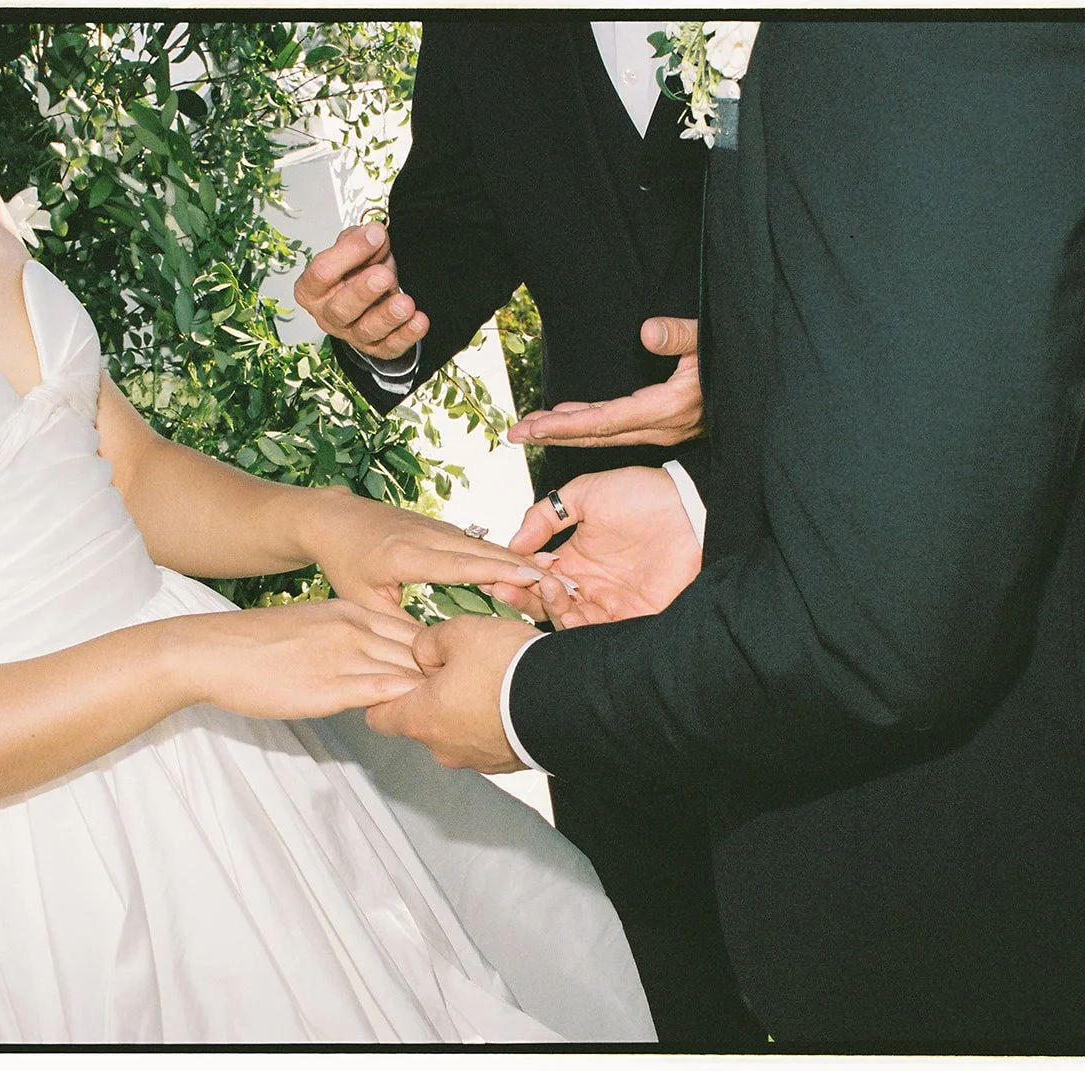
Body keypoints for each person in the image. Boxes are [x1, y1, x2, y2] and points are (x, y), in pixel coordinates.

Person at [0, 24, 657, 1044]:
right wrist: (188, 658)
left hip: (223, 783)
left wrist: (327, 521)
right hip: (1, 884)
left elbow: (124, 469)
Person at [365, 20, 1085, 1056]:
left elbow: (882, 630)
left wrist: (516, 701)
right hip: (670, 591)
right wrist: (697, 501)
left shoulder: (921, 44)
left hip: (968, 848)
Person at [291, 21, 759, 1048]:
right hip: (596, 569)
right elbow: (457, 218)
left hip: (834, 513)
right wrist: (379, 319)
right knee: (668, 949)